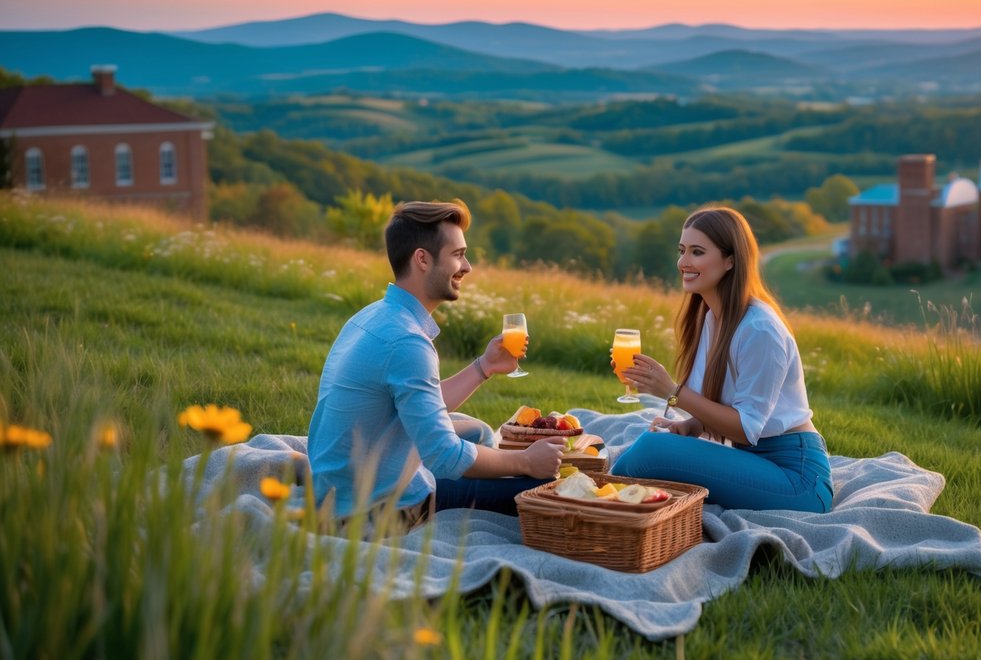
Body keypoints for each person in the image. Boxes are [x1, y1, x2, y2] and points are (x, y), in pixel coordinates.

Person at [307, 199, 565, 527]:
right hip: (377, 509)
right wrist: (526, 462)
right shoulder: (407, 341)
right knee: (544, 489)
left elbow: (419, 406)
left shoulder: (373, 316)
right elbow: (443, 456)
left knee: (478, 435)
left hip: (338, 492)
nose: (467, 267)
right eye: (458, 254)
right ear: (423, 259)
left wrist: (484, 366)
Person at [610, 207, 833, 512]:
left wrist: (673, 393)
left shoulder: (759, 329)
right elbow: (730, 402)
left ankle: (595, 500)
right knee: (651, 442)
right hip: (753, 460)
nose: (683, 262)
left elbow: (746, 427)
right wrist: (692, 425)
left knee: (652, 451)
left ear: (730, 260)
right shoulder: (712, 317)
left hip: (798, 480)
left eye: (697, 252)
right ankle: (597, 497)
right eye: (682, 251)